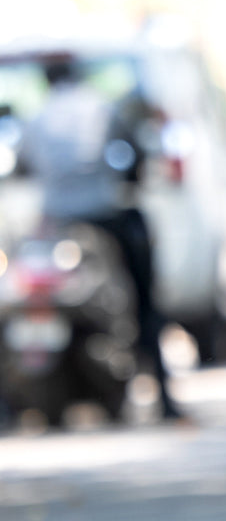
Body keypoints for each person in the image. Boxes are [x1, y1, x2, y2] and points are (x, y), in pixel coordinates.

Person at [20, 55, 183, 420]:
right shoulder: (101, 106)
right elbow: (135, 155)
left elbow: (22, 165)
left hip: (56, 222)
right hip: (106, 215)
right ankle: (165, 400)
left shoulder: (35, 118)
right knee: (144, 302)